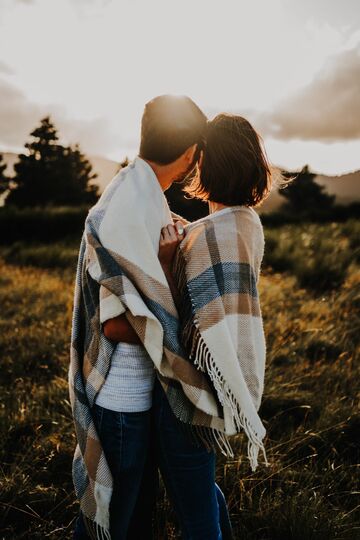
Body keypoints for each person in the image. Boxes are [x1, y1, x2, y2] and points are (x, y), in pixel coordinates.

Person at [70, 94, 209, 540]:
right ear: (189, 154)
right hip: (122, 401)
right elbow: (114, 325)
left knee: (133, 518)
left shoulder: (141, 193)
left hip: (140, 398)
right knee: (114, 522)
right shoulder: (129, 207)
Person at [154, 113, 271, 539]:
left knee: (196, 513)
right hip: (220, 386)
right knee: (202, 490)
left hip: (189, 392)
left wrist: (169, 260)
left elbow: (174, 309)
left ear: (206, 164)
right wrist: (187, 237)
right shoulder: (247, 223)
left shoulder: (199, 238)